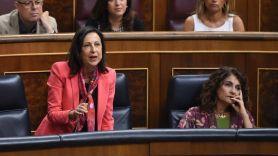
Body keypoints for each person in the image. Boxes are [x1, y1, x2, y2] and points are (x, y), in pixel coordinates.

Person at [35, 27, 115, 135]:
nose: (93, 50)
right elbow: (52, 114)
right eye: (87, 45)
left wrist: (107, 145)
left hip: (91, 140)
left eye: (97, 44)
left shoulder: (109, 75)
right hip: (59, 138)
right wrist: (71, 114)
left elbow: (107, 119)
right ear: (78, 50)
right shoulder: (60, 70)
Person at [178, 66, 255, 128]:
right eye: (228, 85)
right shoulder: (194, 114)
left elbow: (254, 144)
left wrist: (244, 114)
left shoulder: (243, 114)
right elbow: (178, 142)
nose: (233, 91)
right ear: (216, 86)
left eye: (238, 88)